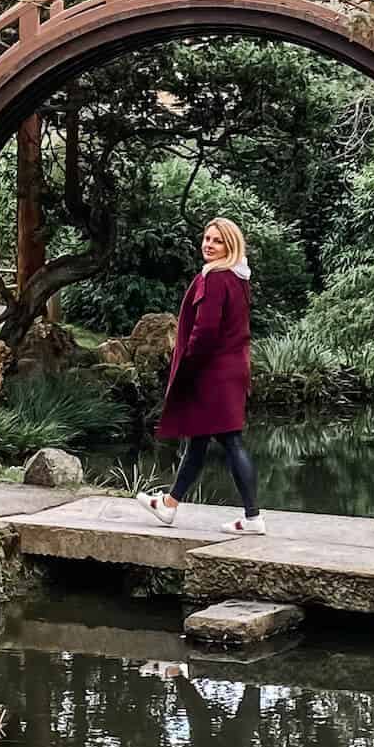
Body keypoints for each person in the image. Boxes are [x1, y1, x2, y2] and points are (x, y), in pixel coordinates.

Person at [137, 217, 264, 534]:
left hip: (212, 371)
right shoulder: (238, 278)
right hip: (231, 369)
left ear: (230, 246)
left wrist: (188, 367)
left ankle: (253, 518)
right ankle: (169, 505)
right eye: (206, 238)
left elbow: (205, 331)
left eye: (217, 240)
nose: (208, 244)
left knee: (231, 441)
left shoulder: (216, 279)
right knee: (198, 440)